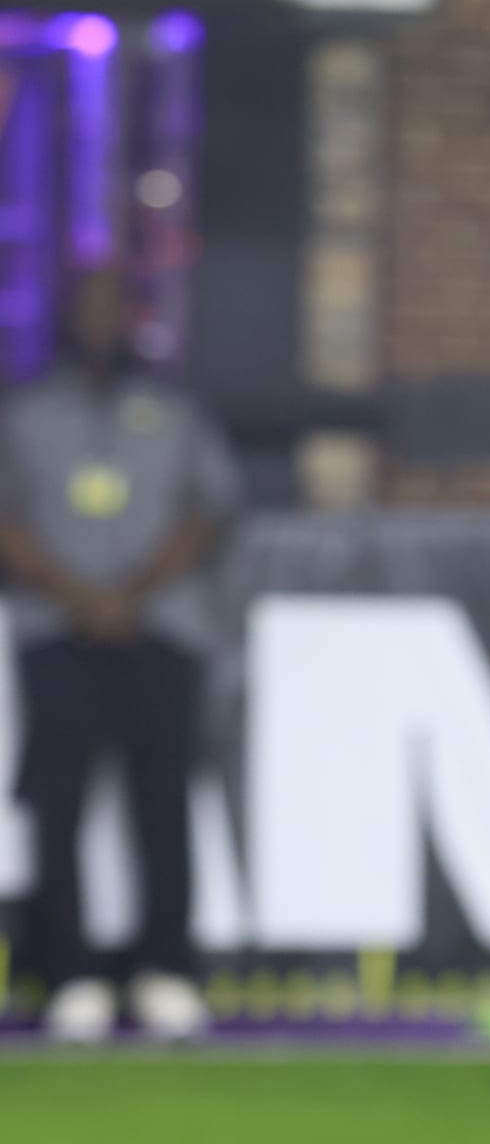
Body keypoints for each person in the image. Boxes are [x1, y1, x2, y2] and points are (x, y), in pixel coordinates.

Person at [0, 265, 240, 1042]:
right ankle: (67, 974)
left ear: (133, 319)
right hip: (56, 634)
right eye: (87, 303)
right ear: (68, 317)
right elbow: (6, 519)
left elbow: (209, 510)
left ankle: (164, 969)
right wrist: (80, 598)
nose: (101, 318)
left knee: (162, 802)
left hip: (160, 631)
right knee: (57, 803)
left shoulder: (173, 411)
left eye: (114, 304)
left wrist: (128, 595)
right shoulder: (26, 414)